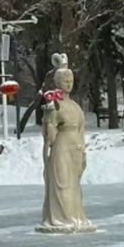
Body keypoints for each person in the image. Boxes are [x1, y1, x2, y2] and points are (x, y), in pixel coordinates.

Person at [36, 55, 95, 234]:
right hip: (61, 147)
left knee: (74, 185)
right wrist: (49, 118)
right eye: (65, 80)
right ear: (57, 83)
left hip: (75, 147)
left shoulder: (76, 107)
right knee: (62, 183)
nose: (69, 83)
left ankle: (75, 215)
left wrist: (82, 150)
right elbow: (50, 137)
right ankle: (61, 217)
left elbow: (81, 131)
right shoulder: (55, 105)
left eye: (71, 80)